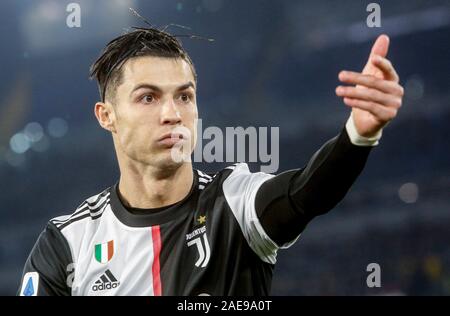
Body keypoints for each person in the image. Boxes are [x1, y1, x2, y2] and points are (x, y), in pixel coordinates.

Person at [18, 27, 404, 295]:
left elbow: (306, 193)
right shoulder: (67, 242)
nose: (173, 113)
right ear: (106, 116)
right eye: (148, 97)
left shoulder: (234, 201)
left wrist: (358, 133)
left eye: (184, 97)